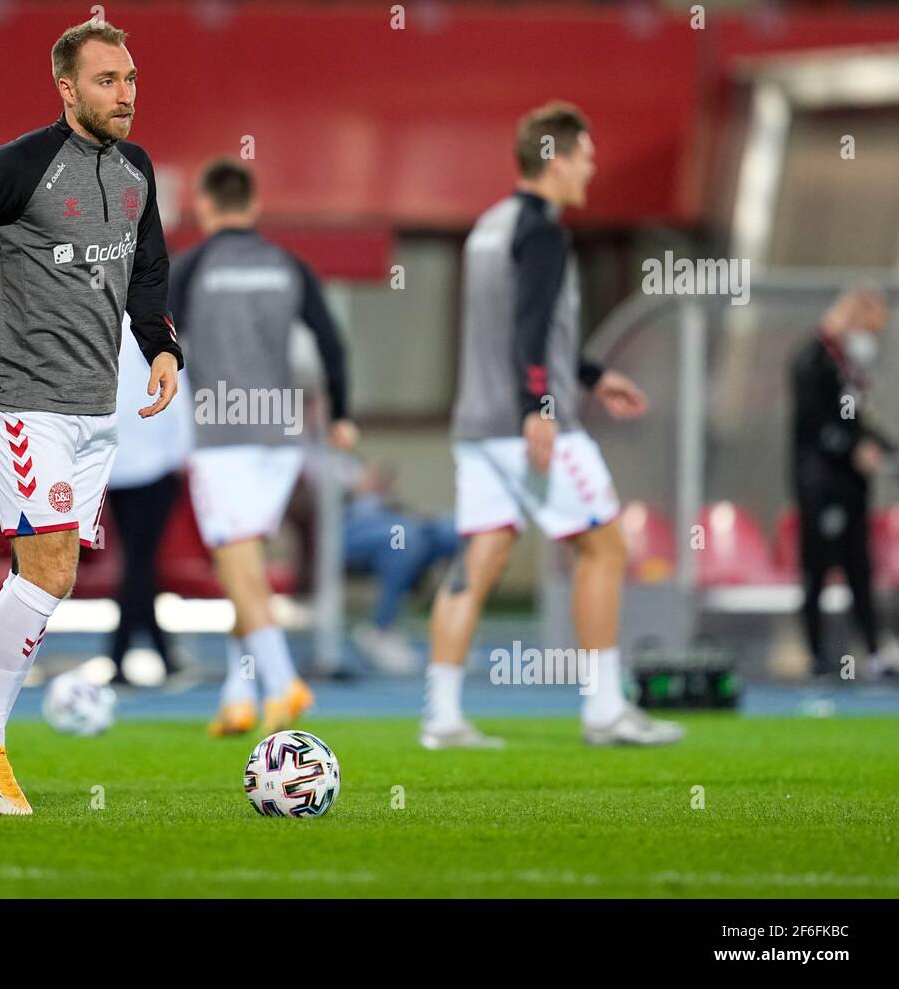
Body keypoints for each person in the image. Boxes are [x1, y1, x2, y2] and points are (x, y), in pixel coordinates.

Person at [0, 19, 183, 816]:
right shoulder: (17, 167)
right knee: (50, 570)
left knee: (47, 577)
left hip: (96, 408)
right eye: (107, 81)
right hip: (25, 402)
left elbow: (149, 268)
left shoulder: (136, 170)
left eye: (131, 79)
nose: (125, 95)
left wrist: (162, 347)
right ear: (67, 89)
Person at [422, 101, 683, 749]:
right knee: (605, 547)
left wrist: (591, 374)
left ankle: (442, 718)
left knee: (480, 559)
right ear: (556, 160)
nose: (591, 171)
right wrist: (538, 406)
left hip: (477, 423)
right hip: (530, 423)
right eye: (586, 158)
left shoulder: (488, 228)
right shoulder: (543, 232)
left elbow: (512, 325)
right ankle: (604, 709)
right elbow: (530, 327)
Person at [170, 157, 356, 737]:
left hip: (223, 438)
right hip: (280, 438)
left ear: (204, 205)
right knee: (244, 569)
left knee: (239, 570)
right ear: (253, 204)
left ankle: (283, 683)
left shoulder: (190, 268)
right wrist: (342, 413)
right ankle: (238, 695)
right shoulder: (287, 266)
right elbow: (331, 341)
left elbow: (153, 336)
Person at [790, 287, 897, 679]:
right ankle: (817, 655)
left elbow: (859, 424)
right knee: (817, 568)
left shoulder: (848, 368)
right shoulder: (812, 359)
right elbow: (816, 423)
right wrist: (853, 450)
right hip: (820, 485)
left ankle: (873, 651)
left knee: (859, 568)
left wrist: (886, 449)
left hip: (852, 488)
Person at [106, 319, 193, 683]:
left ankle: (157, 652)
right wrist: (182, 454)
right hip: (153, 465)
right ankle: (122, 655)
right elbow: (177, 389)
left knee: (138, 563)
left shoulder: (103, 324)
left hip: (116, 464)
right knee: (139, 565)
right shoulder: (154, 324)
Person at [341, 457, 457, 676]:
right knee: (403, 538)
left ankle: (453, 634)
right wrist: (354, 489)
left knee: (456, 531)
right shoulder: (304, 454)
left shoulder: (347, 456)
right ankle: (382, 629)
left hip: (390, 518)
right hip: (343, 530)